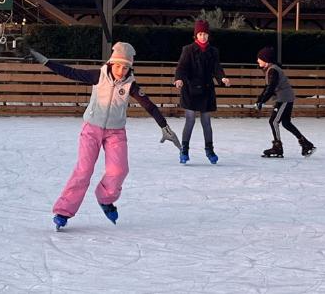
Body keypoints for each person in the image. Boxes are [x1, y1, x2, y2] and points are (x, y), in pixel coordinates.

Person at [29, 42, 181, 230]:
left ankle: (106, 199)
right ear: (111, 63)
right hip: (91, 129)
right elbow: (70, 72)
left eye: (125, 67)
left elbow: (148, 104)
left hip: (116, 132)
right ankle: (63, 211)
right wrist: (45, 62)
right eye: (118, 65)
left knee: (119, 170)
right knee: (83, 171)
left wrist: (164, 126)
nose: (121, 70)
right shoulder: (98, 76)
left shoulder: (130, 84)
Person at [173, 20, 230, 165]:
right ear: (195, 35)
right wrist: (179, 79)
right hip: (190, 89)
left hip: (206, 90)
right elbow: (181, 67)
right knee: (190, 119)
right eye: (200, 34)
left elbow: (217, 68)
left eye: (205, 34)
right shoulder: (188, 50)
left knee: (206, 121)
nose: (203, 36)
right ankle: (184, 150)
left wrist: (222, 77)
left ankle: (209, 150)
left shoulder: (213, 51)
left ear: (208, 35)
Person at [255, 46, 316, 158]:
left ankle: (277, 147)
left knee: (273, 121)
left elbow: (271, 88)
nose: (257, 60)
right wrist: (260, 100)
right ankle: (306, 144)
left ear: (266, 59)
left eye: (259, 58)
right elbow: (267, 87)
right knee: (286, 123)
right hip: (285, 98)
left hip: (284, 99)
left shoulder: (273, 70)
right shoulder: (271, 69)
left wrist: (262, 101)